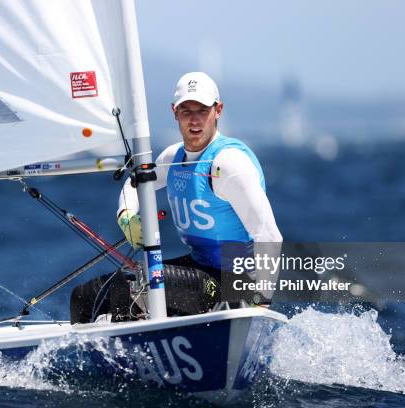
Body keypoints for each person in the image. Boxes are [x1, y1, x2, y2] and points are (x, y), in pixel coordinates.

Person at [117, 72, 282, 304]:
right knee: (89, 295)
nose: (194, 120)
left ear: (218, 110)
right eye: (186, 111)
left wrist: (262, 299)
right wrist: (126, 216)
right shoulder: (173, 158)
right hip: (198, 270)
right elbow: (135, 183)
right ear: (174, 111)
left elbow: (269, 235)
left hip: (236, 282)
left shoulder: (228, 163)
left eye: (202, 110)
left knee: (147, 284)